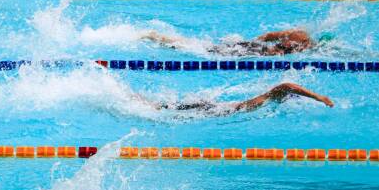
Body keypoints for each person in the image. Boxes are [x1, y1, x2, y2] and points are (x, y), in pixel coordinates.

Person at [140, 82, 334, 117]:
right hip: (224, 110)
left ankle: (150, 104)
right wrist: (318, 97)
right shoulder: (272, 95)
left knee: (170, 108)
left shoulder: (270, 99)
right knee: (167, 112)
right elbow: (286, 85)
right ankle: (148, 105)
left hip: (222, 108)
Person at [141, 29, 336, 56]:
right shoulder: (301, 43)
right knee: (205, 50)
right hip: (254, 51)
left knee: (205, 47)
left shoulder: (298, 33)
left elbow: (269, 35)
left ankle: (159, 37)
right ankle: (157, 37)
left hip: (253, 46)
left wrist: (254, 41)